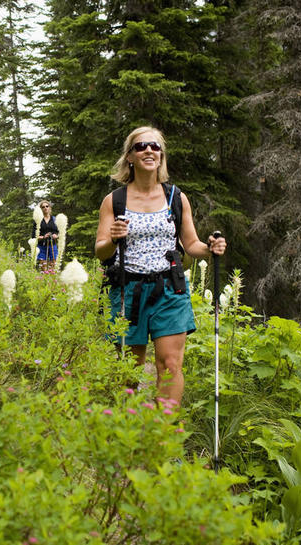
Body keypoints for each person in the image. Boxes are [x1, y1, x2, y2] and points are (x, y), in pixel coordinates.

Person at [95, 126, 226, 405]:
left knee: (170, 365)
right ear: (130, 156)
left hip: (169, 290)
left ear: (161, 156)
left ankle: (163, 440)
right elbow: (101, 250)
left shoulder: (176, 198)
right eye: (141, 146)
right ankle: (125, 436)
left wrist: (210, 247)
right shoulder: (114, 201)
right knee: (128, 370)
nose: (149, 151)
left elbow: (191, 245)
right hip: (126, 290)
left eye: (155, 147)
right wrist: (114, 238)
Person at [35, 200, 59, 273]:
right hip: (41, 246)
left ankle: (51, 282)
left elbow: (60, 233)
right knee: (43, 268)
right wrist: (43, 237)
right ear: (41, 209)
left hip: (53, 245)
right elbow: (34, 236)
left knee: (53, 267)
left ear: (49, 208)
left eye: (47, 206)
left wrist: (56, 236)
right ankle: (44, 281)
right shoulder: (38, 220)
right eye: (43, 207)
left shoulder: (55, 219)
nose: (45, 208)